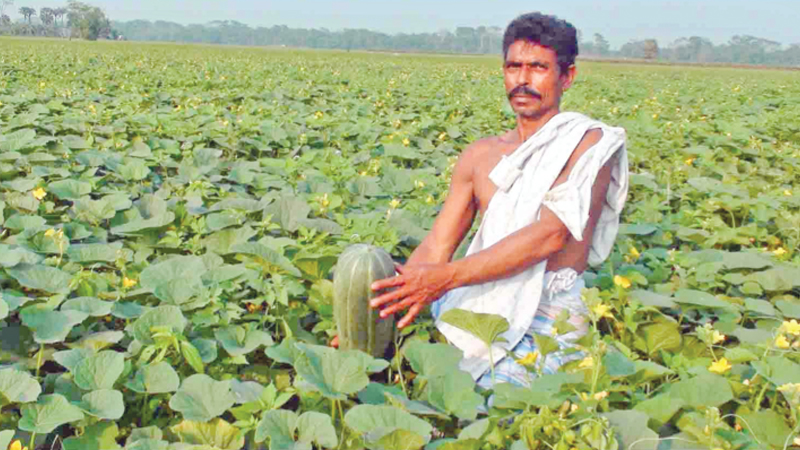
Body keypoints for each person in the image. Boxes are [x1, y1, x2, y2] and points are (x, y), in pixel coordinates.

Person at [343, 12, 629, 388]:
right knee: (416, 390)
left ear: (567, 76)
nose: (523, 80)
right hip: (477, 299)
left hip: (548, 315)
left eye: (538, 68)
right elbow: (437, 245)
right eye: (514, 67)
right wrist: (371, 322)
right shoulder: (480, 155)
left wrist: (442, 280)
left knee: (499, 412)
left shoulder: (588, 143)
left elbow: (550, 235)